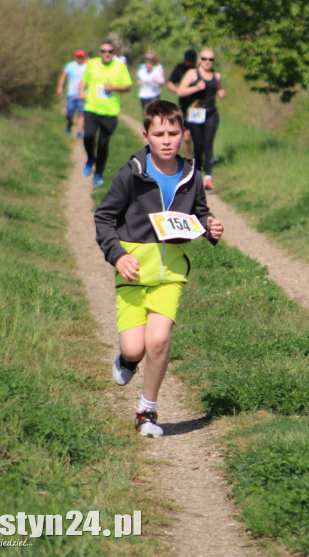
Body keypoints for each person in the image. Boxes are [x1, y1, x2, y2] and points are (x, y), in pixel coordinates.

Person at [93, 99, 224, 438]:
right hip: (133, 274)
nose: (166, 140)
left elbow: (198, 212)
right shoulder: (132, 174)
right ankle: (127, 360)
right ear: (146, 136)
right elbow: (104, 217)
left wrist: (209, 225)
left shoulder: (191, 175)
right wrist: (118, 255)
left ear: (184, 134)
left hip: (171, 275)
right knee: (135, 347)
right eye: (159, 133)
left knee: (160, 339)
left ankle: (146, 410)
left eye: (173, 133)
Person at [80, 41, 133, 188]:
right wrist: (81, 92)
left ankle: (99, 174)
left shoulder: (120, 66)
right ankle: (90, 158)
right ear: (99, 52)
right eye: (103, 51)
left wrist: (114, 87)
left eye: (110, 51)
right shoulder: (92, 64)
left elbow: (128, 86)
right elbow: (85, 80)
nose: (107, 54)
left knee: (103, 143)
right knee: (88, 136)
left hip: (110, 111)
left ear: (114, 53)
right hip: (91, 107)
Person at [176, 48, 226, 190]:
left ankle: (208, 177)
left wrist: (221, 92)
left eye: (211, 59)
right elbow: (180, 91)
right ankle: (197, 174)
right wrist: (196, 88)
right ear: (199, 60)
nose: (207, 62)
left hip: (211, 114)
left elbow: (218, 88)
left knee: (208, 144)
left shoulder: (217, 76)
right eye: (204, 59)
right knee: (198, 146)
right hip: (195, 114)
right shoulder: (193, 74)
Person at [168, 49, 197, 159]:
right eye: (187, 60)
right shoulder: (180, 68)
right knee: (186, 136)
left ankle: (198, 158)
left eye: (190, 61)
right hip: (184, 106)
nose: (188, 63)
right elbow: (170, 83)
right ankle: (189, 159)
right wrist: (178, 91)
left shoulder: (197, 70)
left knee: (197, 136)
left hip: (196, 105)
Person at [57, 49, 87, 138]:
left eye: (82, 57)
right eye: (78, 56)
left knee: (81, 113)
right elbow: (63, 76)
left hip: (82, 94)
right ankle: (70, 122)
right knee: (69, 113)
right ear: (75, 57)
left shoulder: (87, 67)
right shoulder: (69, 66)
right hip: (71, 93)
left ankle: (79, 131)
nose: (80, 58)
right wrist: (60, 87)